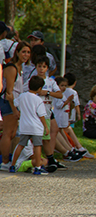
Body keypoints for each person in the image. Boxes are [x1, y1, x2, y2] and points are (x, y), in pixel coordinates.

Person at [0, 41, 31, 171]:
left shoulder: (20, 68)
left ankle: (7, 159)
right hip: (9, 103)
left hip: (15, 103)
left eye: (28, 52)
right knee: (8, 133)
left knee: (12, 133)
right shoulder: (12, 68)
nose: (26, 55)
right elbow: (9, 93)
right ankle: (5, 161)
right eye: (23, 51)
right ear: (17, 52)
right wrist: (14, 110)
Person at [9, 76, 49, 175]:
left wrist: (17, 111)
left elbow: (15, 103)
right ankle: (38, 167)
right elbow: (41, 115)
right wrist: (46, 126)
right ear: (40, 89)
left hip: (24, 126)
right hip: (36, 127)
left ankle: (13, 165)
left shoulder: (22, 96)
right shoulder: (38, 100)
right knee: (37, 146)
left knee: (20, 145)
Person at [31, 55, 64, 172]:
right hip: (35, 113)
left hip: (47, 112)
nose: (41, 69)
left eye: (44, 67)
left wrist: (48, 93)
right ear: (35, 67)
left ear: (47, 68)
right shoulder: (32, 80)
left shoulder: (51, 81)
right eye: (39, 66)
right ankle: (43, 160)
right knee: (37, 138)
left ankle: (50, 159)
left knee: (46, 137)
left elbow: (60, 95)